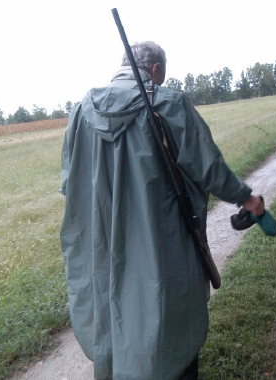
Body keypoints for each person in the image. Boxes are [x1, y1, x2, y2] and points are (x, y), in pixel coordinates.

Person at [59, 41, 264, 380]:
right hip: (162, 239)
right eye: (162, 76)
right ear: (154, 70)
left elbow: (69, 184)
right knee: (168, 314)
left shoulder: (80, 111)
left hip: (102, 243)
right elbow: (208, 167)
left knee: (114, 314)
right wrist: (247, 199)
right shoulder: (167, 103)